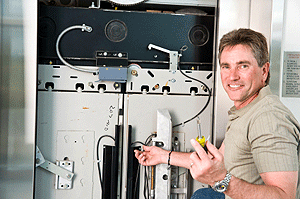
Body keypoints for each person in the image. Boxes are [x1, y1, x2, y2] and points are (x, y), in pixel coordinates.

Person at [135, 28, 300, 199]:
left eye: (243, 66)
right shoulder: (246, 111)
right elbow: (216, 160)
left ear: (264, 71)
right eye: (226, 66)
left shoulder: (268, 119)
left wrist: (221, 179)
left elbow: (284, 196)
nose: (232, 76)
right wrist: (163, 156)